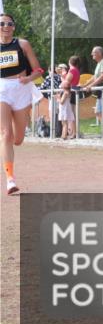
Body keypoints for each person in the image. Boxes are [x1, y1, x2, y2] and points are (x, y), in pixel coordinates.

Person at [0, 13, 43, 194]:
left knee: (17, 139)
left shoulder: (23, 44)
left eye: (9, 23)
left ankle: (10, 137)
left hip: (21, 88)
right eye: (2, 23)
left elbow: (39, 70)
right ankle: (10, 180)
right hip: (2, 88)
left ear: (14, 27)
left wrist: (28, 78)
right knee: (5, 134)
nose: (6, 26)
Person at [81, 46, 103, 138]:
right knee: (98, 111)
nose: (92, 54)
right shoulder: (99, 63)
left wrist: (90, 86)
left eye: (93, 52)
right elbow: (95, 77)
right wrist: (85, 84)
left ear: (99, 53)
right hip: (101, 90)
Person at [58, 62, 78, 140]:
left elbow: (62, 101)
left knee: (64, 123)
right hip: (65, 108)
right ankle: (66, 134)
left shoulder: (66, 92)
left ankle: (64, 135)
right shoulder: (67, 92)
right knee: (66, 122)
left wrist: (58, 99)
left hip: (64, 109)